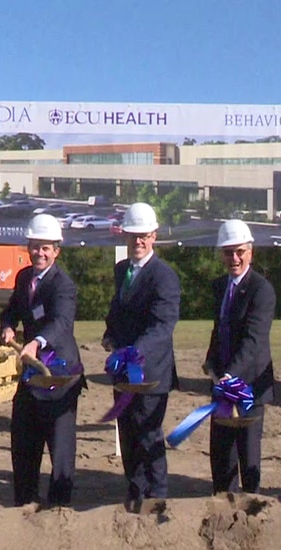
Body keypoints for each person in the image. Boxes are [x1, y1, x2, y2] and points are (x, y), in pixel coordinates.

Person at [0, 214, 84, 507]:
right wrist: (8, 326)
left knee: (60, 445)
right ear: (29, 247)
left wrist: (36, 342)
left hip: (60, 372)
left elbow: (61, 323)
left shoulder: (63, 285)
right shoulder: (24, 277)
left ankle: (60, 506)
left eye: (46, 248)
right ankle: (25, 500)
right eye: (35, 246)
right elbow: (12, 308)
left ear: (56, 251)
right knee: (23, 438)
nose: (40, 253)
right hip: (32, 372)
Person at [102, 202, 181, 512]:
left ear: (154, 236)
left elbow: (163, 326)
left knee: (149, 435)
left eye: (144, 236)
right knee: (128, 434)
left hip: (151, 372)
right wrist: (110, 334)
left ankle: (157, 495)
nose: (138, 241)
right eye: (133, 235)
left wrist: (136, 350)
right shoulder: (122, 270)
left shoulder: (164, 276)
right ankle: (134, 491)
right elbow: (117, 309)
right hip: (123, 371)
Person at [202, 220, 275, 494]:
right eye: (228, 252)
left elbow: (254, 340)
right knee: (221, 454)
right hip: (222, 383)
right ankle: (223, 502)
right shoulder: (220, 286)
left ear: (250, 251)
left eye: (239, 251)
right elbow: (219, 328)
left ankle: (253, 507)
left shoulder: (262, 289)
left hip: (249, 384)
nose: (234, 258)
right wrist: (211, 360)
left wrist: (230, 375)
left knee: (248, 452)